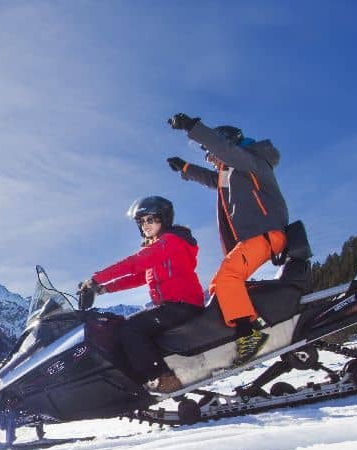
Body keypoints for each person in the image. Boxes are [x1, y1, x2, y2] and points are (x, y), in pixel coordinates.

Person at [166, 113, 289, 364]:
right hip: (253, 237)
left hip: (265, 232)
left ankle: (249, 334)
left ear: (226, 144)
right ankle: (247, 326)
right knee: (218, 286)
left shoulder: (251, 161)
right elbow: (213, 180)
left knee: (228, 277)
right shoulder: (234, 172)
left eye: (210, 151)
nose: (210, 157)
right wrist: (186, 168)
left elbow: (225, 151)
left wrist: (193, 127)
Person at [80, 195, 204, 394]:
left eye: (151, 219)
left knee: (129, 329)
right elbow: (139, 277)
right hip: (170, 307)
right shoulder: (159, 245)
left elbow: (134, 263)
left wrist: (96, 279)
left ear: (163, 219)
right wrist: (104, 289)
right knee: (124, 326)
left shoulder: (170, 242)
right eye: (142, 221)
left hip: (182, 305)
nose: (145, 225)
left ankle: (164, 377)